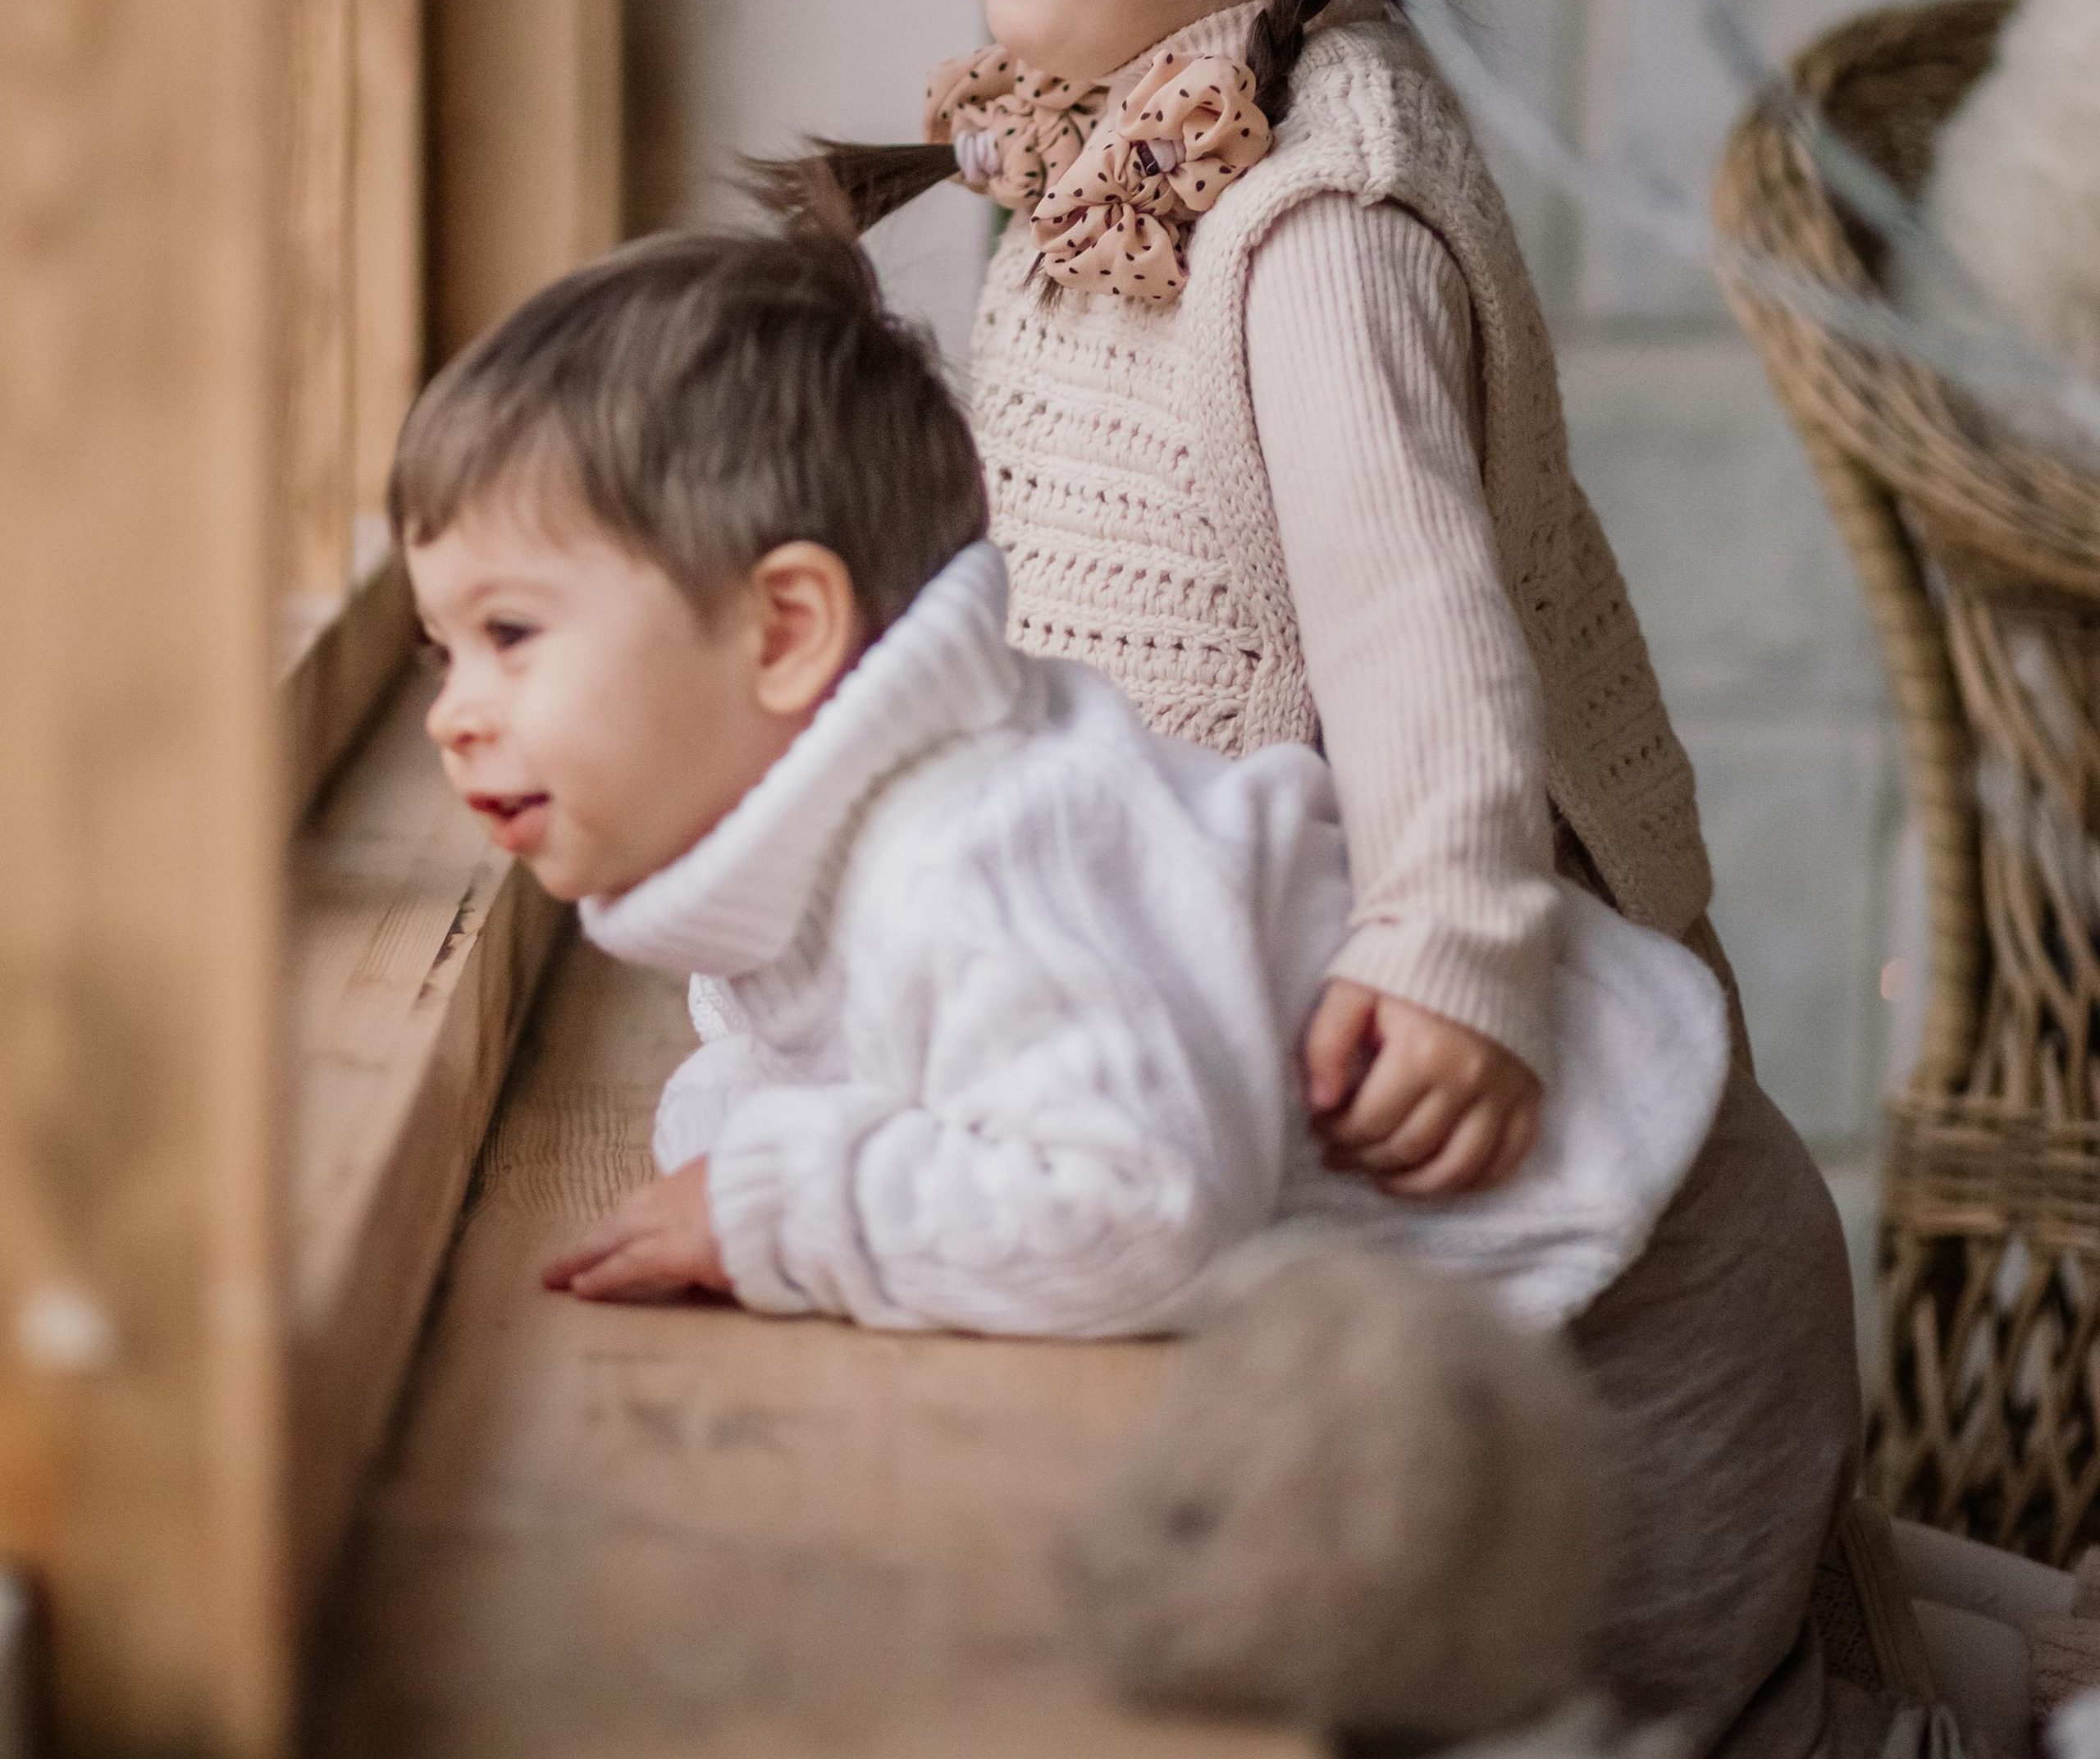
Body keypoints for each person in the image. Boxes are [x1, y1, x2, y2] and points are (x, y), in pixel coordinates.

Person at [733, 0, 2078, 1759]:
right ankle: (2053, 1681)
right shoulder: (1116, 170)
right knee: (1779, 1614)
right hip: (1513, 1212)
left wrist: (1448, 941)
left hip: (1590, 1217)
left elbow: (1428, 634)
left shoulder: (1308, 214)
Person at [394, 229, 1727, 1348]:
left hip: (1642, 1258)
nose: (455, 714)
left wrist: (779, 1209)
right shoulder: (822, 865)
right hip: (1570, 1260)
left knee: (1638, 1669)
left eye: (510, 635)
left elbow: (1133, 1211)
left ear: (785, 629)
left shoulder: (972, 849)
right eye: (440, 650)